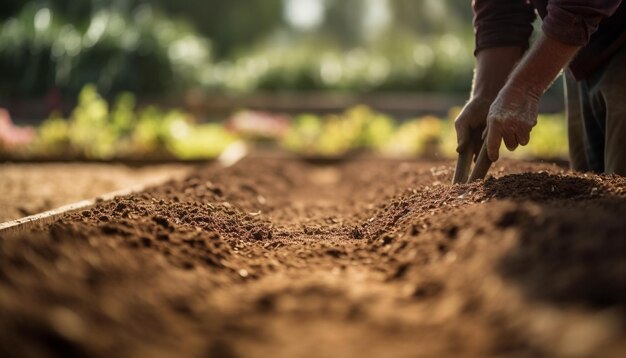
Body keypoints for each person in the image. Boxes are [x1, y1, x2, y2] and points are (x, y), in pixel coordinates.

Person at [455, 0, 626, 175]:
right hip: (578, 49)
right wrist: (486, 95)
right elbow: (500, 8)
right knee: (589, 185)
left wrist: (525, 88)